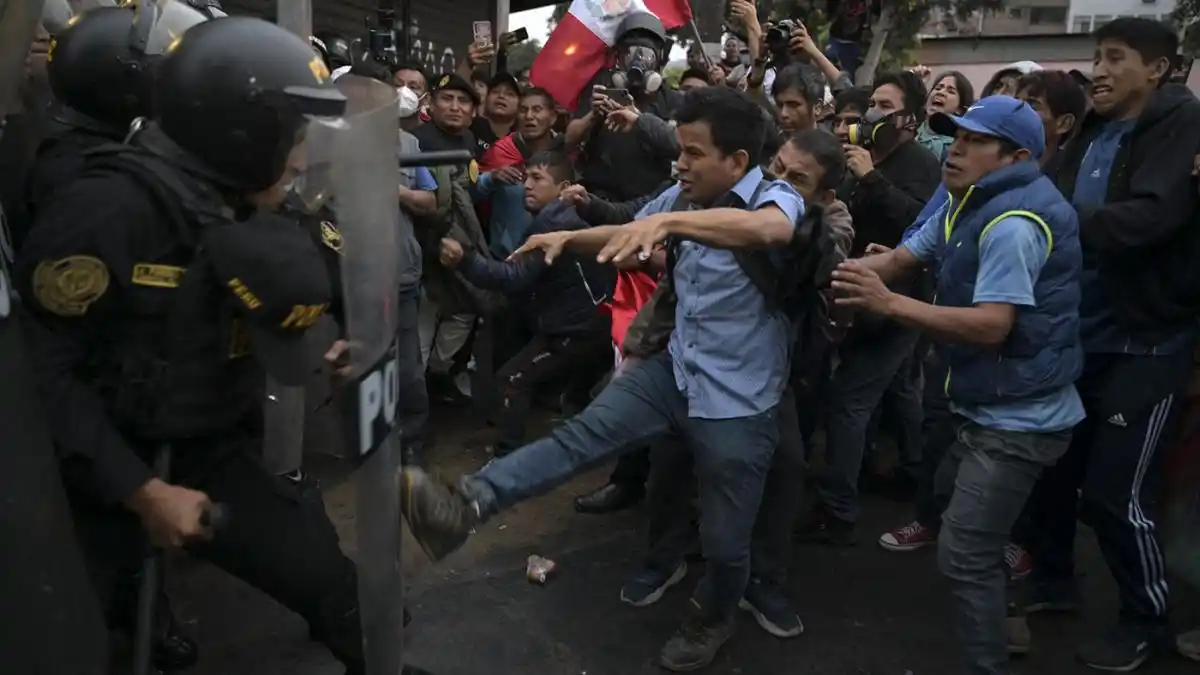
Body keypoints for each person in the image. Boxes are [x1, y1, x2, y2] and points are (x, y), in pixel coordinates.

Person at [400, 86, 804, 672]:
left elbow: (769, 233)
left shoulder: (777, 196)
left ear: (737, 162)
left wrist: (668, 222)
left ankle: (713, 615)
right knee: (577, 438)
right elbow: (631, 235)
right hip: (674, 368)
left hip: (739, 403)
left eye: (693, 153)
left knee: (724, 539)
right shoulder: (678, 196)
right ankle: (465, 506)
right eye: (680, 152)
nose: (680, 164)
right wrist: (567, 239)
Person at [15, 18, 368, 673]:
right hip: (105, 458)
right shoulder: (103, 211)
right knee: (88, 630)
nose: (301, 157)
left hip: (209, 440)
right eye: (294, 136)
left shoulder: (246, 193)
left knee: (322, 570)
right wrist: (143, 491)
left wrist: (341, 329)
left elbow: (309, 255)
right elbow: (44, 378)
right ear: (241, 133)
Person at [834, 94, 1084, 675]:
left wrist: (890, 305)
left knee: (964, 552)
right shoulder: (962, 202)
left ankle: (989, 655)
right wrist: (826, 274)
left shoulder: (1013, 223)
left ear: (1016, 156)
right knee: (949, 501)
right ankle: (1010, 585)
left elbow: (994, 326)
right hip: (981, 403)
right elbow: (899, 258)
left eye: (974, 141)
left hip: (1019, 419)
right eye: (955, 135)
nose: (956, 149)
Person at [1026, 18, 1200, 671]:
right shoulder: (1092, 132)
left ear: (1156, 69)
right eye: (1096, 57)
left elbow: (1151, 219)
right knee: (1052, 466)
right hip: (1080, 333)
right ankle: (1051, 580)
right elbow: (1052, 197)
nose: (1097, 70)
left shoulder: (1181, 126)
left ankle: (1146, 618)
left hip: (1146, 340)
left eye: (1114, 58)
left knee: (1114, 492)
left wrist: (1053, 223)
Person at [799, 69, 940, 544]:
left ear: (908, 119)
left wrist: (871, 178)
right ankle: (903, 472)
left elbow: (922, 225)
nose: (871, 115)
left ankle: (839, 510)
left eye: (884, 105)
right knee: (895, 392)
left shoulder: (918, 162)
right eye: (871, 104)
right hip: (858, 299)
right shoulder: (861, 158)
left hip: (896, 304)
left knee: (849, 402)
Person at [439, 151, 612, 456]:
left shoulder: (555, 223)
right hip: (585, 321)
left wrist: (464, 259)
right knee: (577, 393)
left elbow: (515, 276)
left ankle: (507, 459)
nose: (527, 186)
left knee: (512, 380)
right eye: (526, 177)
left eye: (538, 178)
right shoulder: (552, 218)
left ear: (563, 187)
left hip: (575, 328)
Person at [566, 11, 677, 202]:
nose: (637, 62)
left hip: (650, 201)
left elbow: (679, 145)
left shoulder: (672, 99)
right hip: (601, 199)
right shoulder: (601, 88)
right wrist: (592, 116)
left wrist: (643, 122)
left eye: (646, 55)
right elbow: (569, 140)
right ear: (618, 57)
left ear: (659, 59)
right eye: (630, 53)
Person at [917, 70, 973, 161]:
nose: (941, 92)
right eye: (938, 88)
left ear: (960, 109)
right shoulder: (908, 132)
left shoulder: (957, 148)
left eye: (951, 91)